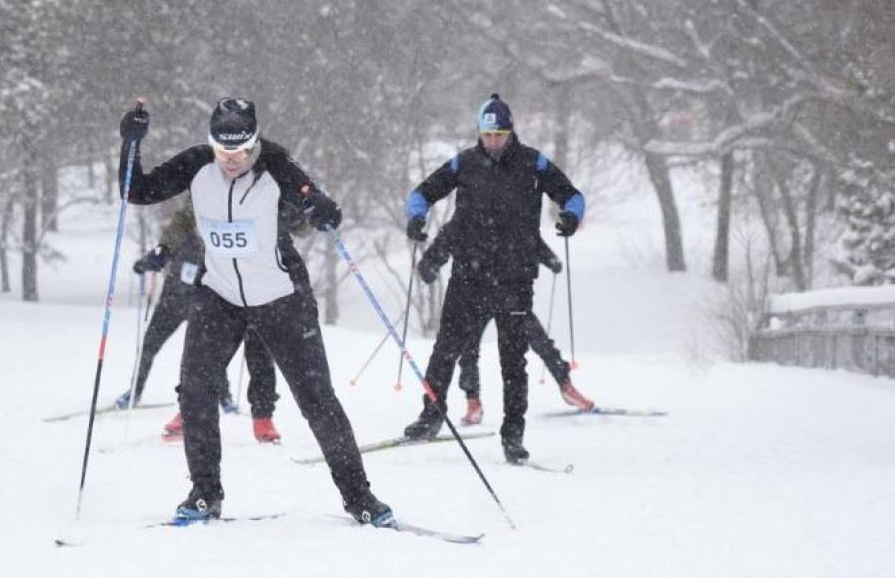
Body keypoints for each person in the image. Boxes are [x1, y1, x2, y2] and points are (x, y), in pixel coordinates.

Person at [118, 97, 394, 526]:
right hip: (220, 295)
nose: (232, 160)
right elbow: (135, 191)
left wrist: (322, 209)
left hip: (281, 297)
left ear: (255, 143)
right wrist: (131, 143)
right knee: (195, 390)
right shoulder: (197, 164)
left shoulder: (276, 167)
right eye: (223, 150)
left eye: (242, 150)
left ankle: (360, 497)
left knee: (317, 399)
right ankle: (205, 494)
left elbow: (319, 204)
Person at [401, 93, 586, 464]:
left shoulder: (533, 162)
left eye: (500, 135)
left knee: (513, 360)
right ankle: (430, 416)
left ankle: (513, 435)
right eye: (487, 135)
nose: (494, 142)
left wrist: (570, 217)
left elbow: (572, 196)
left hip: (515, 278)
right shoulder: (464, 163)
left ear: (510, 132)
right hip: (468, 275)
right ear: (479, 133)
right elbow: (422, 193)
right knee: (445, 350)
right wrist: (417, 217)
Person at [118, 198, 283, 443]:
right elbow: (159, 251)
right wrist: (145, 264)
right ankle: (136, 391)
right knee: (153, 346)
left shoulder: (222, 246)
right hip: (172, 305)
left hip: (208, 304)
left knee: (215, 352)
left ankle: (228, 400)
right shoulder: (182, 237)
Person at [417, 217, 595, 426]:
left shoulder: (512, 212)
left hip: (508, 292)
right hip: (477, 292)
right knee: (470, 349)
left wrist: (550, 259)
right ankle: (473, 401)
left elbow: (528, 236)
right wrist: (430, 264)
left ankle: (566, 386)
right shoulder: (469, 213)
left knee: (537, 339)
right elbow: (450, 235)